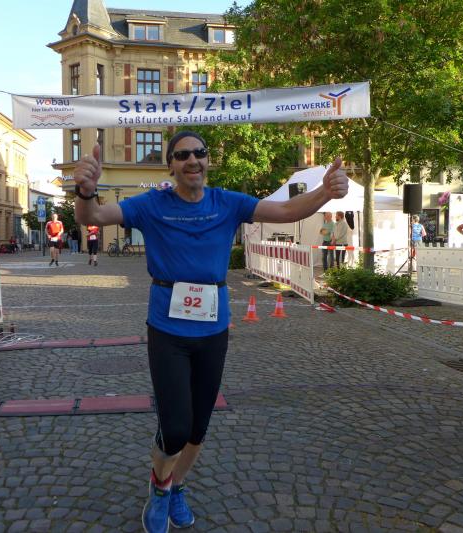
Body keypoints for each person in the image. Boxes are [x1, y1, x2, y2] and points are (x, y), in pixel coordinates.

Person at [73, 131, 349, 533]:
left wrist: (326, 192)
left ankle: (175, 486)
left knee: (198, 428)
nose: (192, 160)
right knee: (175, 428)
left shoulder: (227, 202)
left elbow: (288, 210)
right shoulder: (151, 204)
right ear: (171, 165)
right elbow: (92, 218)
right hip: (167, 328)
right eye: (182, 154)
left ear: (207, 160)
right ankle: (160, 484)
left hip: (213, 328)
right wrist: (86, 191)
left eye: (199, 153)